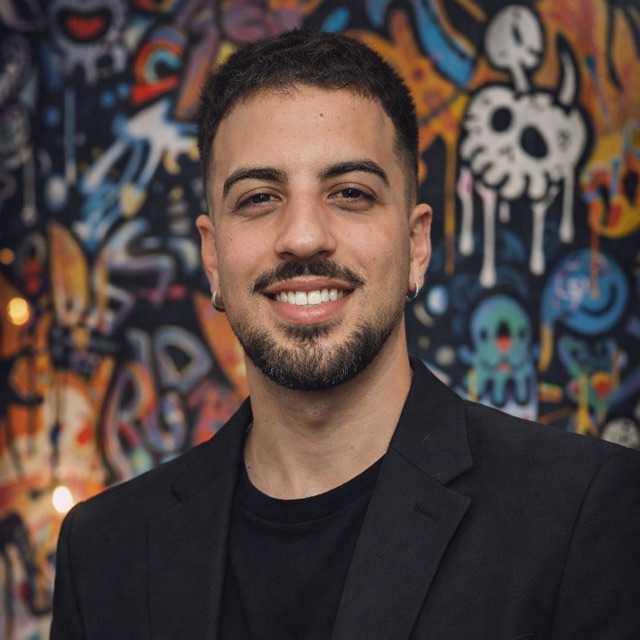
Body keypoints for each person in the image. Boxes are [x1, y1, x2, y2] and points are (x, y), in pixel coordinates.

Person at [51, 30, 640, 639]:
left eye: (351, 193)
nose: (304, 236)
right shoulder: (103, 552)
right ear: (212, 257)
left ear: (416, 245)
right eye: (259, 198)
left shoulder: (580, 511)